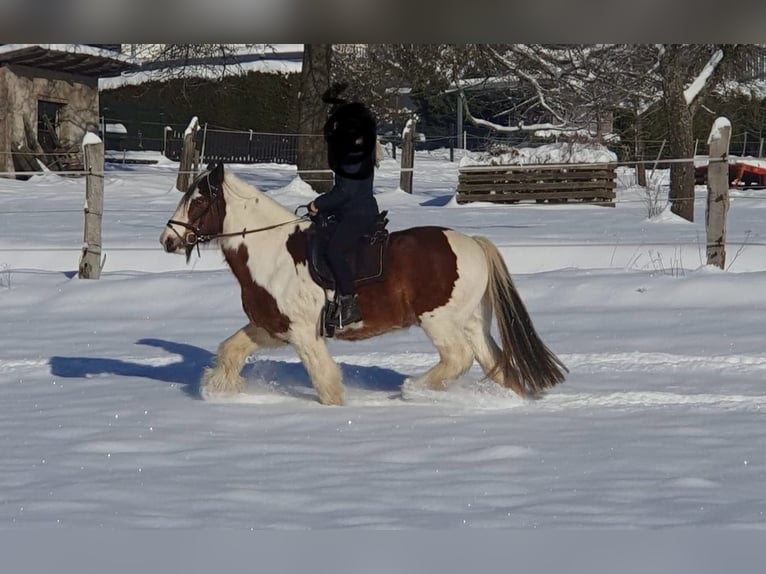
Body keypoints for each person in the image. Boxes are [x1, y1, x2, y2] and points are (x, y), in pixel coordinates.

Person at [309, 89, 379, 329]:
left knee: (334, 251)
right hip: (350, 210)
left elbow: (345, 192)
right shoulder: (356, 150)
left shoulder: (352, 154)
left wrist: (318, 203)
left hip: (359, 213)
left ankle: (348, 303)